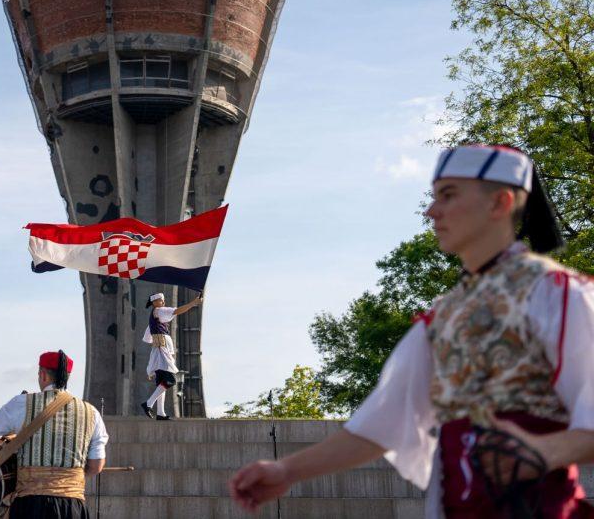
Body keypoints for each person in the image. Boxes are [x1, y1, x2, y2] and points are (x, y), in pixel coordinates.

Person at [230, 145, 594, 518]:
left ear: (499, 202)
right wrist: (286, 470)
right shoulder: (443, 317)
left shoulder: (559, 295)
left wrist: (544, 452)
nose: (431, 210)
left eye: (448, 195)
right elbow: (381, 423)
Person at [0, 350, 109, 519]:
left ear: (43, 375)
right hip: (72, 507)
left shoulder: (22, 404)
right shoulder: (91, 413)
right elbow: (95, 467)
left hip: (30, 506)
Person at [140, 292, 202, 420]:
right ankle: (148, 403)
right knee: (170, 380)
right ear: (155, 302)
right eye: (161, 300)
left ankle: (160, 413)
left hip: (159, 351)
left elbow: (147, 338)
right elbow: (177, 311)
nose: (163, 302)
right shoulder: (159, 311)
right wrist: (193, 303)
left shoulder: (154, 318)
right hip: (162, 351)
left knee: (161, 383)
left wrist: (158, 338)